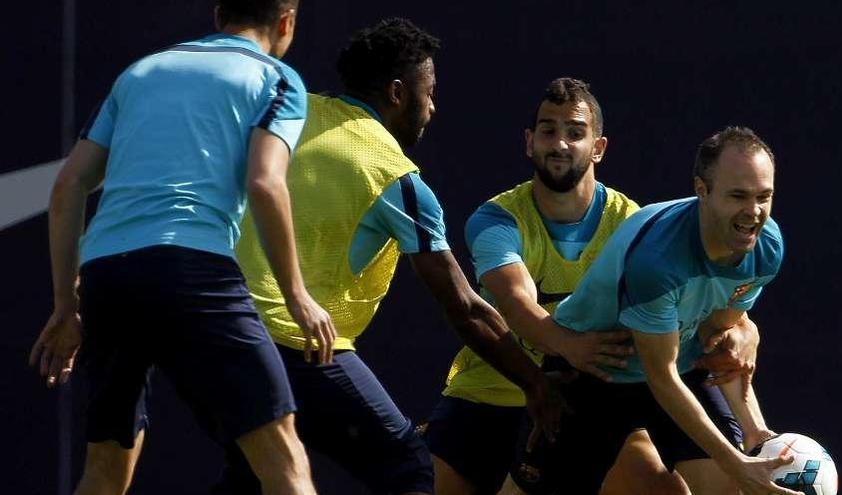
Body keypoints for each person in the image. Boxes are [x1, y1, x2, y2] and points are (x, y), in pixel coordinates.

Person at [221, 18, 565, 495]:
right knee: (409, 467)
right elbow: (465, 309)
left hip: (227, 334)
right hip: (301, 345)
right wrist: (535, 382)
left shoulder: (292, 113)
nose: (433, 107)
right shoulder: (395, 177)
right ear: (399, 93)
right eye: (430, 92)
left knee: (252, 479)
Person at [28, 1, 333, 494]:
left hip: (108, 280)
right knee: (283, 457)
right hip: (193, 270)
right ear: (286, 23)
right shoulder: (278, 79)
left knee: (106, 467)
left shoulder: (139, 73)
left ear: (218, 15)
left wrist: (67, 305)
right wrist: (297, 295)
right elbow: (264, 183)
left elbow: (68, 188)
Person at [424, 77, 691, 495]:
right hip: (490, 392)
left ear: (598, 148)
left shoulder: (632, 224)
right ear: (529, 142)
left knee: (663, 489)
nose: (560, 144)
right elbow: (515, 302)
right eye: (548, 131)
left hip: (587, 404)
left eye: (575, 132)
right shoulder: (496, 219)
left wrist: (743, 329)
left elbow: (689, 300)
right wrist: (571, 346)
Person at [503, 126, 799, 495]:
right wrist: (735, 462)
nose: (753, 212)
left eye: (764, 197)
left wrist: (756, 434)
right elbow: (661, 377)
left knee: (728, 488)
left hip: (679, 363)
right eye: (738, 195)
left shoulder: (767, 246)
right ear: (702, 191)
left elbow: (715, 341)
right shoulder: (657, 261)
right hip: (592, 372)